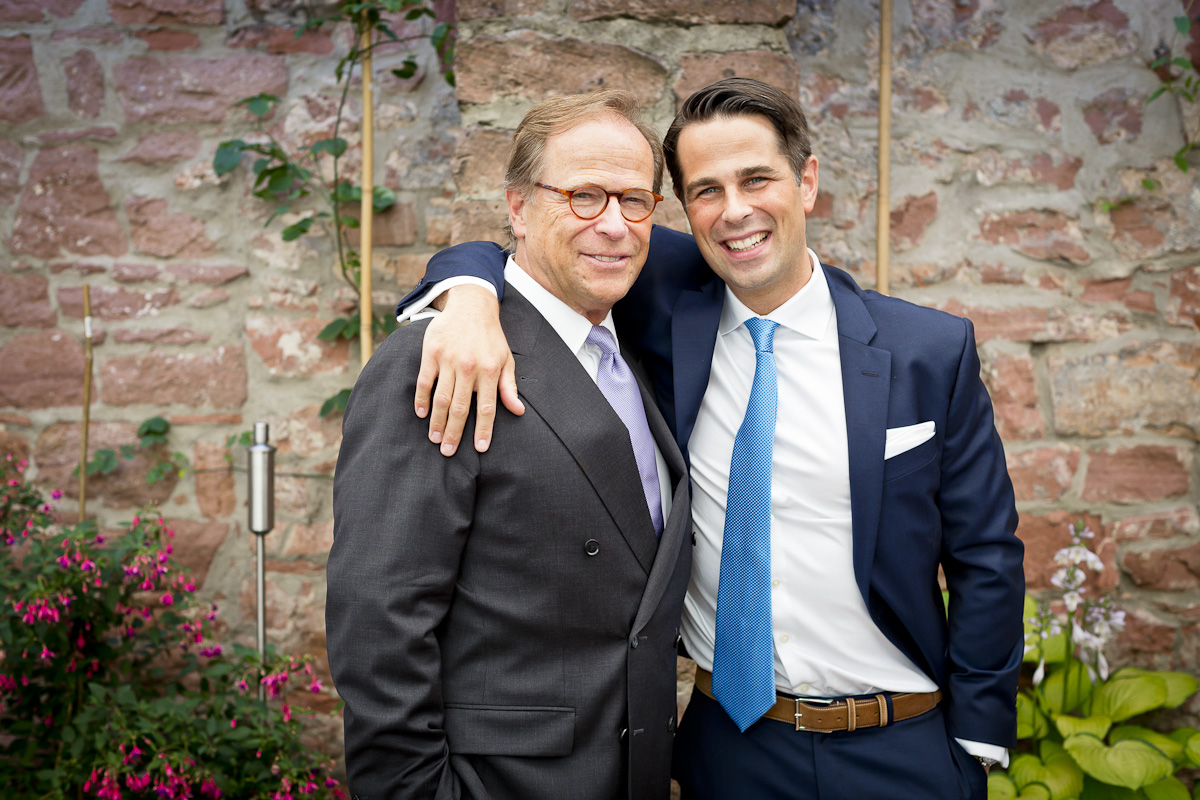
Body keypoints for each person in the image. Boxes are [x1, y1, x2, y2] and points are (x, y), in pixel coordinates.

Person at [397, 78, 1024, 800]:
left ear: (807, 180)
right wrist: (468, 297)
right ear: (684, 209)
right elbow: (511, 242)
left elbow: (986, 554)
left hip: (903, 746)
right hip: (731, 750)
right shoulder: (661, 300)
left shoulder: (927, 350)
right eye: (705, 190)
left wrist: (976, 742)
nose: (735, 212)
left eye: (757, 179)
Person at [326, 89, 694, 800]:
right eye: (583, 196)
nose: (613, 225)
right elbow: (381, 616)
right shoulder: (441, 358)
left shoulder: (640, 342)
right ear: (519, 207)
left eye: (635, 200)